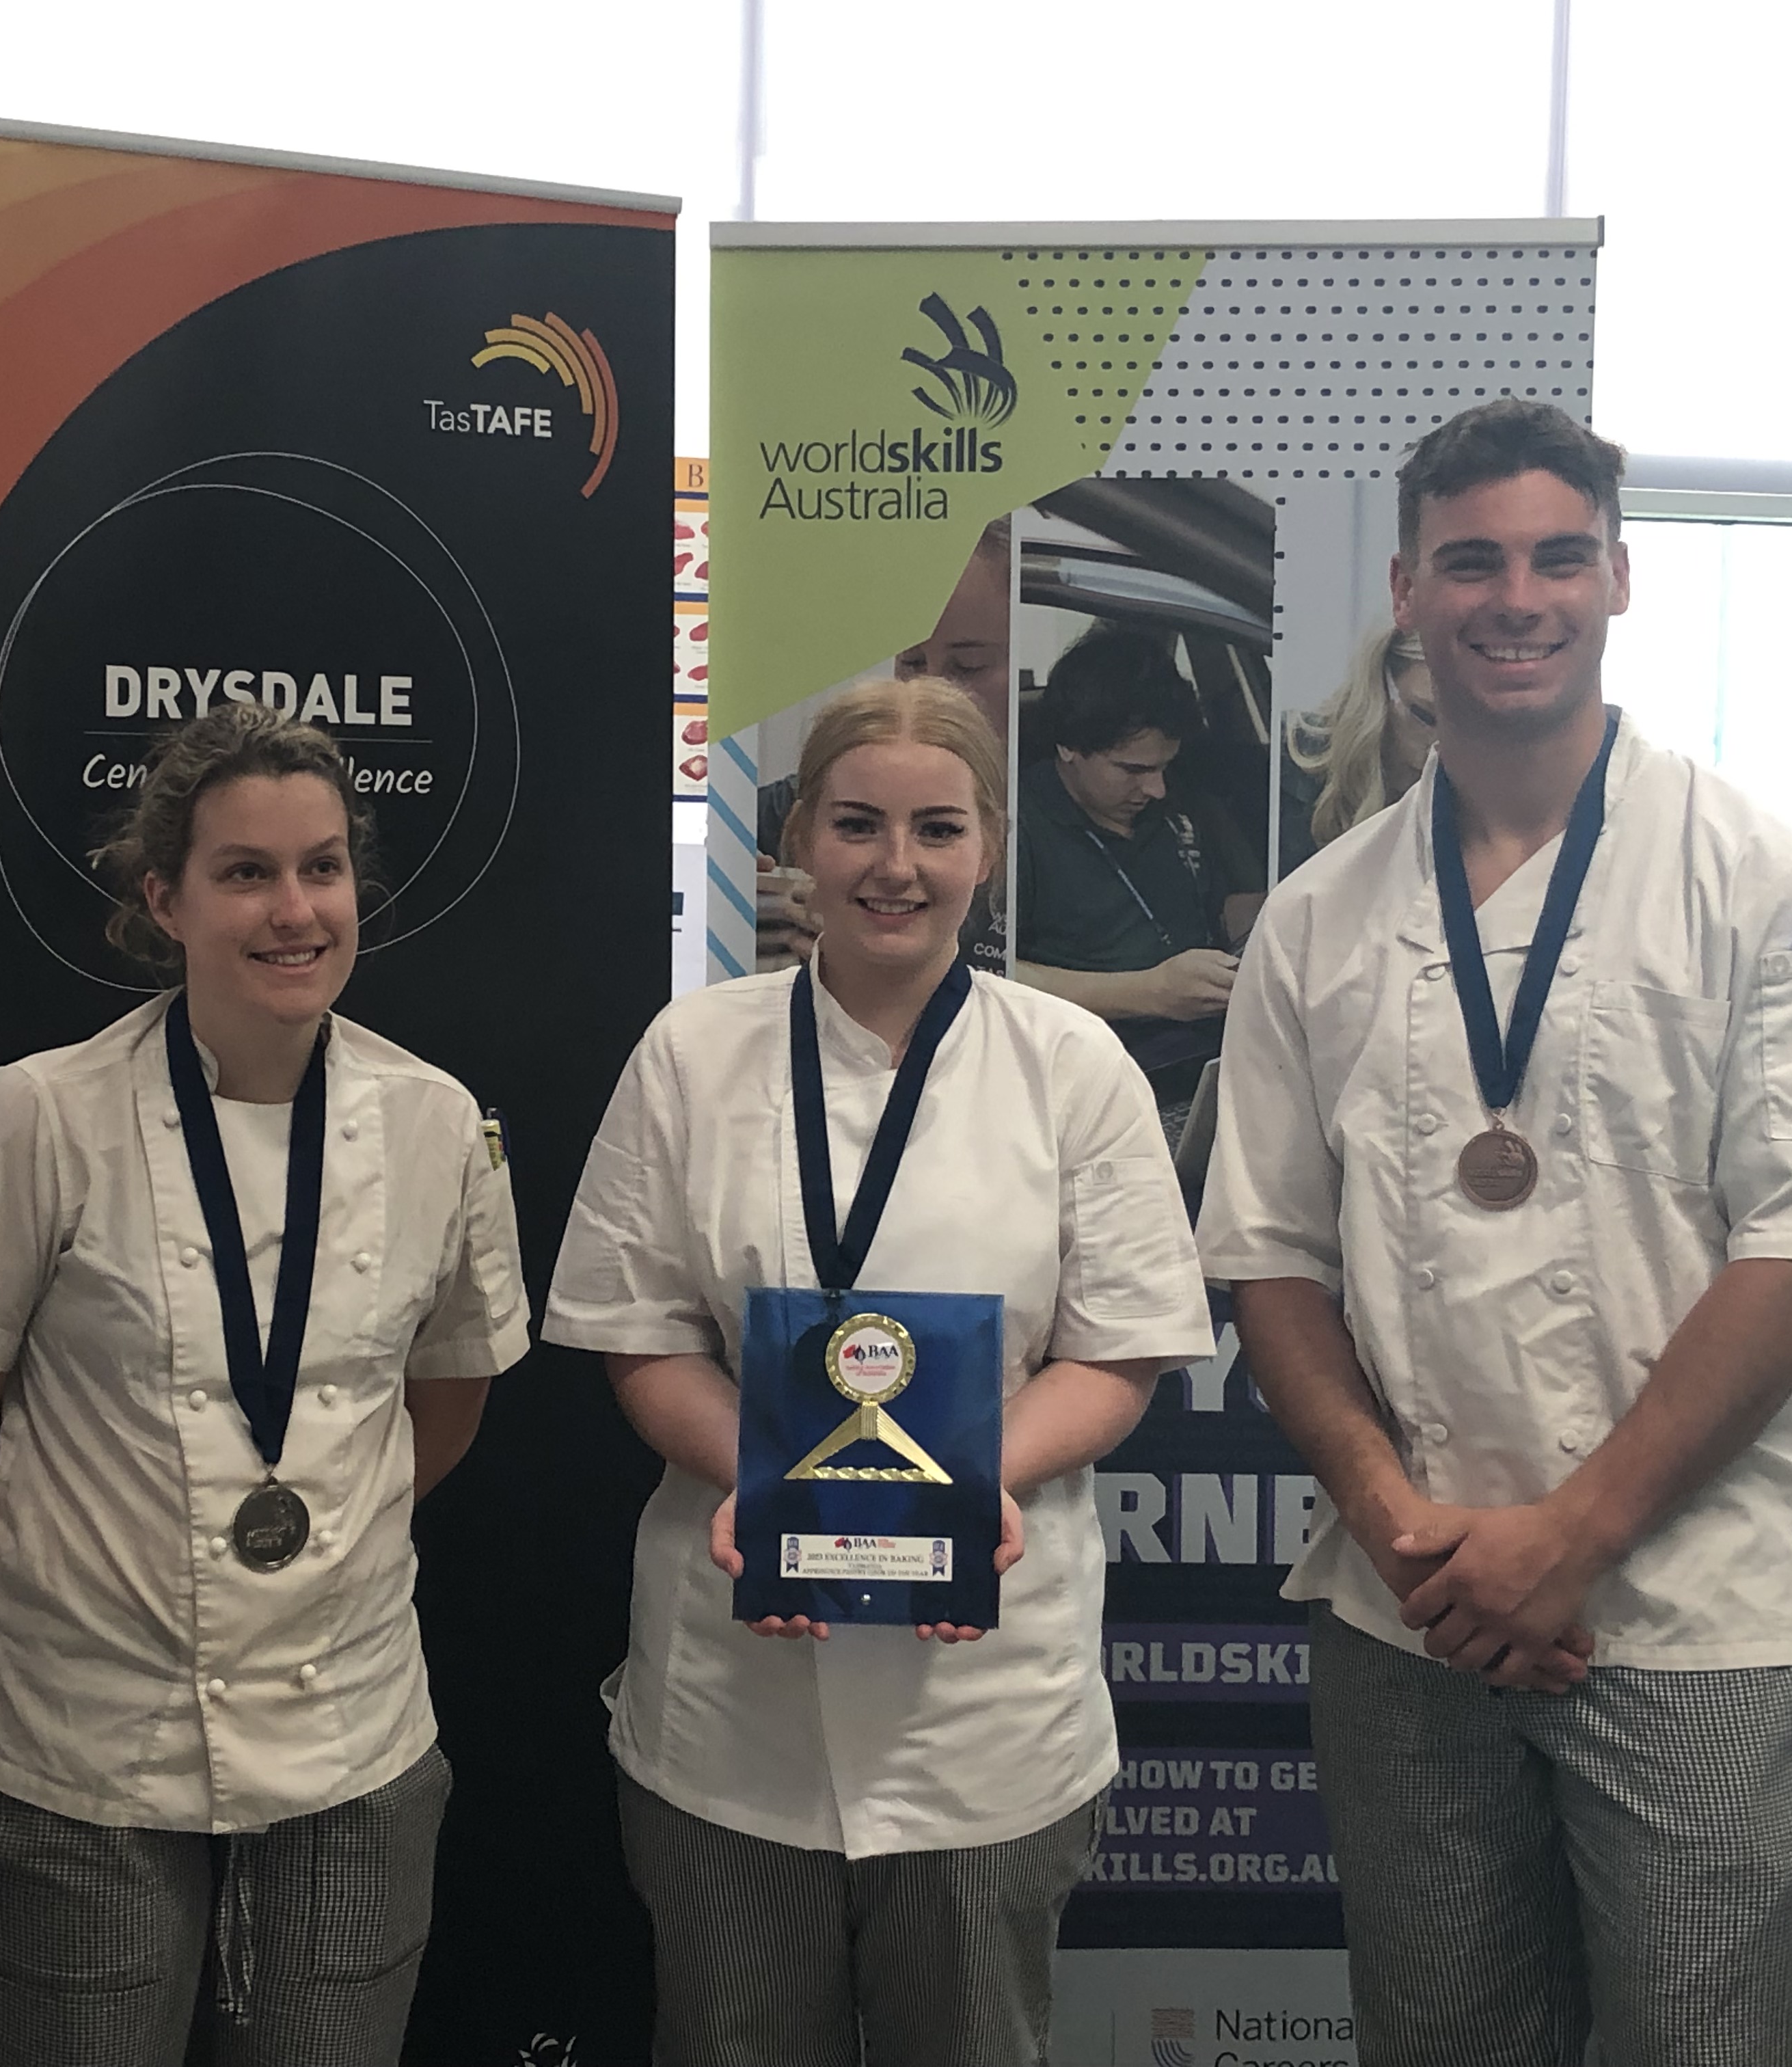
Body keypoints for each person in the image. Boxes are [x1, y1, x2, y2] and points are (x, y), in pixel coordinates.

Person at [1199, 397, 1792, 2067]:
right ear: (1406, 590)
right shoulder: (1322, 917)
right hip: (1416, 1608)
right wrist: (1395, 1518)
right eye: (1471, 562)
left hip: (1683, 1609)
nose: (1513, 597)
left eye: (1554, 557)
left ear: (1618, 579)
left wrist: (1572, 1537)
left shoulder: (1763, 876)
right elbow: (1266, 1257)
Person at [545, 675, 1212, 2067]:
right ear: (796, 838)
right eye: (856, 825)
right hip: (736, 1707)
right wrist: (776, 1485)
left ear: (990, 847)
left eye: (936, 829)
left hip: (985, 1708)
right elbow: (639, 1335)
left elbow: (1120, 1353)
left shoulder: (1071, 1067)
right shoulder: (694, 1053)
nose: (894, 867)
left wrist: (964, 1485)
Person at [0, 704, 528, 2067]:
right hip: (81, 1750)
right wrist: (71, 1593)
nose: (295, 911)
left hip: (353, 1737)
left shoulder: (439, 1125)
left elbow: (446, 1401)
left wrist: (311, 1567)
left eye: (324, 867)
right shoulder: (42, 1114)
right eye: (246, 873)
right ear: (164, 898)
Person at [1014, 624, 1264, 1118]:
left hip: (1216, 1061)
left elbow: (1216, 907)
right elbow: (990, 972)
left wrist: (1270, 917)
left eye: (1164, 767)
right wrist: (1150, 993)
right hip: (1099, 1083)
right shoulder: (1016, 824)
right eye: (1133, 770)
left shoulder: (1177, 804)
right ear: (1068, 746)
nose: (1156, 790)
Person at [755, 519, 1012, 972]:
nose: (932, 686)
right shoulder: (795, 802)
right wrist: (728, 903)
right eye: (912, 661)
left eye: (969, 666)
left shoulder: (1071, 801)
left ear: (990, 845)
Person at [1279, 622, 1436, 874]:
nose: (1442, 742)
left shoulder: (1474, 790)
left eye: (1466, 725)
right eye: (1426, 717)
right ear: (1382, 686)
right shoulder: (1301, 756)